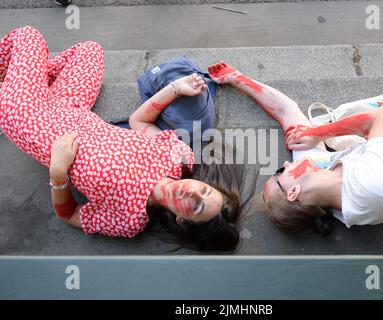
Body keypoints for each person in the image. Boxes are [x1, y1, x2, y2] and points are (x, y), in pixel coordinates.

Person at [0, 26, 245, 252]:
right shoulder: (178, 157)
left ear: (182, 221)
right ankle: (15, 82)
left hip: (32, 121)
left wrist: (58, 173)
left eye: (197, 206)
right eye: (204, 190)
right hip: (71, 107)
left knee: (28, 35)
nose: (193, 194)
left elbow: (71, 215)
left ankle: (13, 87)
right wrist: (175, 89)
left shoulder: (130, 220)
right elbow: (139, 122)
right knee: (90, 50)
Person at [206, 61, 383, 235]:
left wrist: (236, 78)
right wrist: (318, 133)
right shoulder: (373, 188)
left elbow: (286, 111)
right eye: (280, 171)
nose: (287, 163)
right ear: (293, 193)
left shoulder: (323, 175)